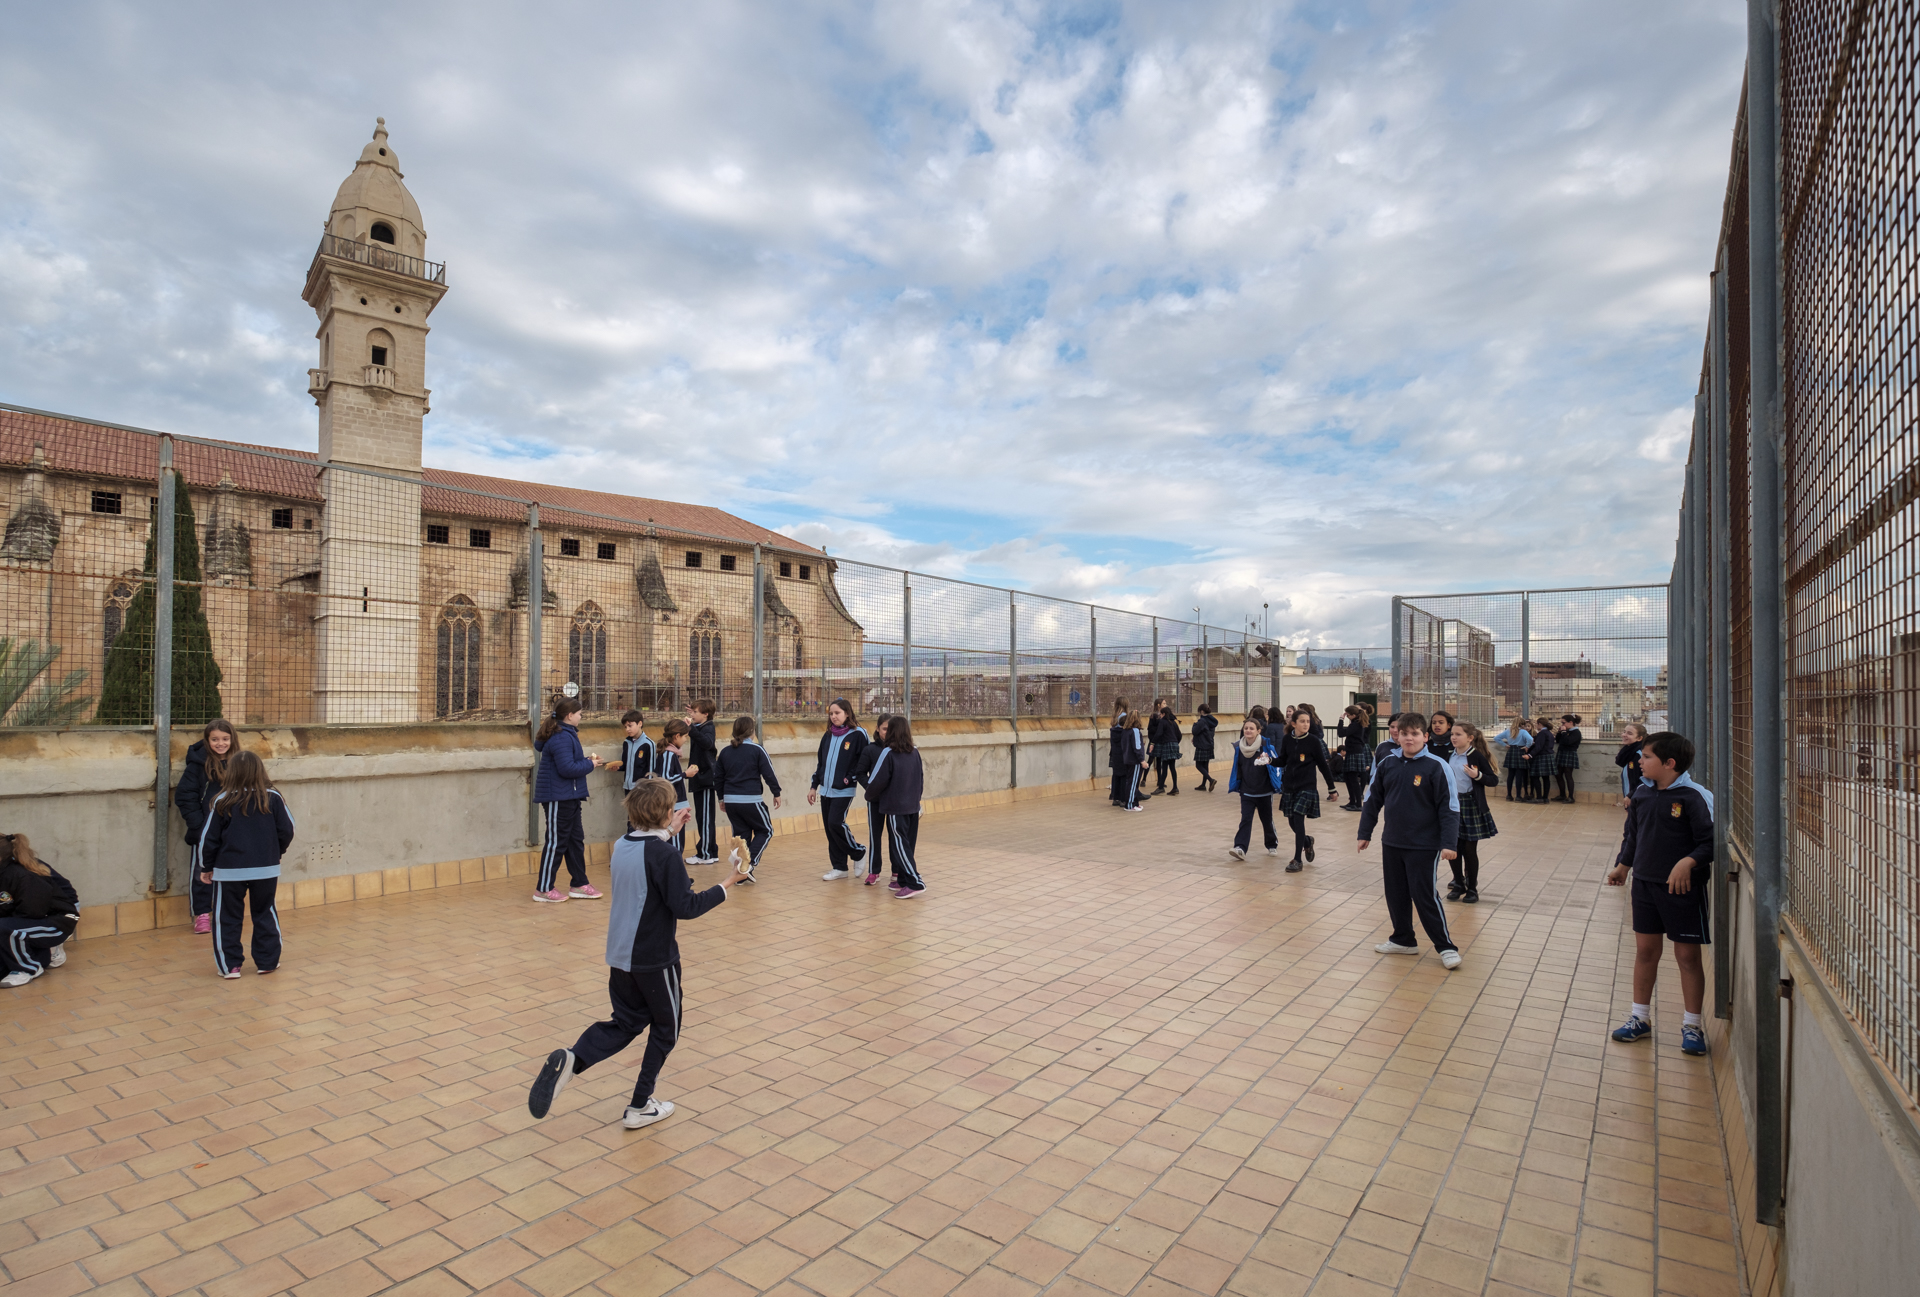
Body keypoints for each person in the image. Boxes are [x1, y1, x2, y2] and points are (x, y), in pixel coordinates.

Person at [527, 780, 743, 1131]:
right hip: (655, 959)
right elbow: (685, 907)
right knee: (666, 1028)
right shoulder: (666, 856)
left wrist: (669, 831)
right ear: (665, 813)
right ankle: (640, 1105)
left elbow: (649, 859)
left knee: (626, 1022)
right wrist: (728, 882)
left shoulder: (623, 845)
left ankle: (573, 1058)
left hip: (620, 955)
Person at [1607, 731, 1715, 1057]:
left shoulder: (1695, 797)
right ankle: (1640, 1019)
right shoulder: (1641, 793)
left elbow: (1710, 842)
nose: (1639, 762)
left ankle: (1692, 1026)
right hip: (1645, 886)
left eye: (1647, 757)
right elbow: (1633, 836)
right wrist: (1623, 867)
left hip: (1682, 890)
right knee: (1645, 952)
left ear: (1669, 763)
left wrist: (1688, 861)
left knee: (1686, 957)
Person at [1357, 714, 1462, 968]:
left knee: (1424, 895)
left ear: (1425, 737)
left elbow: (1450, 808)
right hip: (1392, 841)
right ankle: (1403, 939)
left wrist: (1449, 843)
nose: (1409, 738)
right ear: (1397, 736)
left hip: (1424, 845)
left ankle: (1446, 947)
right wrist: (1365, 833)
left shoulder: (1437, 766)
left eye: (1415, 734)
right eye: (1404, 734)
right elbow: (1372, 799)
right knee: (1396, 893)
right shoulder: (1387, 763)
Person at [197, 750, 295, 978]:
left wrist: (206, 867)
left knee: (227, 917)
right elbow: (288, 830)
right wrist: (277, 852)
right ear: (260, 770)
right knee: (265, 912)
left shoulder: (222, 800)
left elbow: (208, 838)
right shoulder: (273, 797)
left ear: (231, 773)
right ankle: (267, 962)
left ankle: (230, 966)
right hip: (266, 869)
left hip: (228, 872)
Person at [534, 694, 604, 903]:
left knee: (575, 841)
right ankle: (544, 889)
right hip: (558, 798)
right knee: (556, 843)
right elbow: (567, 769)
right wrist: (590, 765)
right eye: (580, 714)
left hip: (570, 796)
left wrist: (587, 761)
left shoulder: (566, 734)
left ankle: (579, 884)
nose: (581, 717)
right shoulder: (561, 736)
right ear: (570, 715)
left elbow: (569, 763)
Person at [174, 718, 236, 935]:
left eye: (225, 739)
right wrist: (200, 827)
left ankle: (226, 912)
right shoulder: (197, 765)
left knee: (231, 873)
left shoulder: (240, 763)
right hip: (205, 831)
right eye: (215, 739)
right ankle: (202, 915)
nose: (221, 743)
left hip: (234, 830)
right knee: (202, 872)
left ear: (232, 739)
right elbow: (185, 796)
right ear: (207, 740)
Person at [0, 834, 79, 987]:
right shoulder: (5, 872)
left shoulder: (23, 875)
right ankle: (43, 955)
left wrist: (6, 921)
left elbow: (32, 912)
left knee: (4, 928)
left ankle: (28, 969)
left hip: (57, 922)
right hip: (26, 918)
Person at [865, 716, 927, 897]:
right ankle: (904, 880)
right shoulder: (915, 752)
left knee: (900, 846)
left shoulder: (887, 753)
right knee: (907, 844)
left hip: (895, 808)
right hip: (912, 807)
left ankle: (915, 882)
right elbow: (920, 779)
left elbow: (876, 780)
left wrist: (869, 796)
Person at [715, 716, 782, 882]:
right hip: (750, 800)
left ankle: (741, 875)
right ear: (752, 732)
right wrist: (776, 792)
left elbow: (718, 777)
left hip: (731, 801)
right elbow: (769, 773)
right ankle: (748, 866)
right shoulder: (757, 750)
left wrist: (721, 798)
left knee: (741, 836)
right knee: (766, 830)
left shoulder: (725, 751)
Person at [810, 699, 871, 881]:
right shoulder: (828, 735)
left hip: (843, 789)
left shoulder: (858, 734)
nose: (834, 717)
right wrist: (814, 786)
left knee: (836, 823)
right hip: (825, 790)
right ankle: (839, 867)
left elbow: (863, 762)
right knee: (830, 829)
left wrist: (849, 778)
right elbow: (821, 763)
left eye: (837, 713)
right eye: (831, 714)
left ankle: (858, 851)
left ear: (847, 713)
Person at [1446, 722, 1501, 903]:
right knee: (1453, 846)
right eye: (1452, 734)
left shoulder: (1476, 756)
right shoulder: (1450, 756)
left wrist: (1477, 776)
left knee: (1469, 849)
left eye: (1458, 734)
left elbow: (1493, 780)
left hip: (1470, 805)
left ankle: (1472, 888)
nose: (1454, 737)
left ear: (1470, 738)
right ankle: (1459, 884)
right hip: (1452, 804)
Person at [1276, 709, 1337, 872]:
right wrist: (1269, 761)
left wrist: (1332, 788)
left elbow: (1323, 766)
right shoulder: (1287, 739)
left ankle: (1297, 860)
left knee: (1298, 818)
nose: (1306, 724)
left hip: (1307, 787)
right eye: (1302, 721)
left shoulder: (1313, 741)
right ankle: (1307, 842)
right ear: (1294, 723)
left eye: (1308, 721)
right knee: (1291, 821)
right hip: (1289, 786)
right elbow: (1282, 760)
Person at [1225, 717, 1281, 860]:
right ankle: (1240, 847)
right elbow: (1237, 767)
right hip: (1246, 791)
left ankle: (1272, 845)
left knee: (1267, 820)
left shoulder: (1267, 747)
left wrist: (1277, 782)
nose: (1248, 731)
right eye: (1246, 728)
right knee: (1246, 819)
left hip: (1264, 791)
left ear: (1258, 731)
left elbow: (1278, 766)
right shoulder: (1239, 747)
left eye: (1251, 728)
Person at [854, 715, 893, 886]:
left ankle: (897, 870)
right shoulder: (870, 750)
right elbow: (860, 773)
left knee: (895, 836)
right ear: (878, 729)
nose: (888, 732)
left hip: (894, 802)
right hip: (875, 801)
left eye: (891, 729)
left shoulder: (898, 749)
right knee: (875, 836)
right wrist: (870, 787)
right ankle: (874, 871)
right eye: (884, 729)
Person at [685, 699, 721, 864]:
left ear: (706, 714)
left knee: (705, 817)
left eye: (695, 712)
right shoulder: (700, 727)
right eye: (691, 712)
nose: (692, 715)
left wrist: (691, 728)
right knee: (702, 816)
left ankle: (705, 854)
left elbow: (707, 743)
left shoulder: (708, 727)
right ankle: (711, 851)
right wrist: (692, 720)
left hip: (705, 778)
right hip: (699, 778)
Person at [657, 719, 692, 855]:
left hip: (677, 804)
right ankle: (675, 873)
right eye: (684, 737)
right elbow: (666, 779)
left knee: (678, 842)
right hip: (673, 805)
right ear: (677, 736)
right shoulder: (668, 754)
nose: (685, 740)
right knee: (675, 845)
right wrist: (685, 774)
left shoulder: (671, 754)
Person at [1108, 701, 1147, 810]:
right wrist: (1142, 760)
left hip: (1126, 759)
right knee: (1133, 783)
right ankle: (1130, 804)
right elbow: (1137, 747)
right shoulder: (1135, 731)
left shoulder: (1125, 731)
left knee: (1130, 781)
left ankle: (1134, 802)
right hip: (1134, 760)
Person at [617, 710, 657, 812]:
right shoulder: (626, 742)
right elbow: (625, 764)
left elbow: (651, 770)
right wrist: (618, 767)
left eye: (630, 726)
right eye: (625, 727)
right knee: (631, 817)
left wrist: (649, 790)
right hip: (628, 787)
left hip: (642, 789)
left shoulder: (649, 744)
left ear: (640, 724)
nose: (627, 729)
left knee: (641, 816)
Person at [1336, 704, 1372, 811]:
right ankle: (1352, 802)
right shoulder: (1356, 723)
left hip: (1354, 753)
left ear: (1353, 715)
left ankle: (1357, 804)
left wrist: (1341, 720)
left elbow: (1341, 733)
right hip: (1353, 752)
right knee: (1348, 777)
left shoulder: (1356, 724)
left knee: (1353, 779)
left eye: (1348, 715)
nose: (1347, 717)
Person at [1493, 718, 1532, 801]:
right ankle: (1518, 796)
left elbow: (1496, 738)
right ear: (1522, 725)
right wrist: (1527, 746)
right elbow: (1530, 739)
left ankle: (1509, 795)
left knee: (1510, 775)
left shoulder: (1508, 731)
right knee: (1519, 775)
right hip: (1520, 751)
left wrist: (1505, 745)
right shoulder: (1523, 731)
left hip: (1511, 751)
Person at [1149, 700, 1183, 796]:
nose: (1160, 715)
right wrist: (1175, 742)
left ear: (1163, 714)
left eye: (1161, 714)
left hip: (1167, 745)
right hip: (1175, 744)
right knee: (1172, 767)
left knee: (1164, 766)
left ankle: (1160, 788)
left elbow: (1158, 733)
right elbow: (1179, 735)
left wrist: (1153, 743)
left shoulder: (1163, 722)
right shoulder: (1174, 722)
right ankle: (1175, 787)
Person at [1614, 722, 1648, 809]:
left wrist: (1631, 795)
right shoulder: (1628, 751)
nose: (1624, 735)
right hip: (1629, 796)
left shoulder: (1640, 754)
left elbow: (1646, 779)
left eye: (1629, 733)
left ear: (1639, 738)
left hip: (1638, 798)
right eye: (1624, 732)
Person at [1554, 714, 1584, 803]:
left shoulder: (1576, 732)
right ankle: (1562, 795)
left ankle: (1570, 797)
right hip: (1561, 753)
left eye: (1563, 723)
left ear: (1570, 722)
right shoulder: (1566, 731)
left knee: (1568, 775)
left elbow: (1568, 741)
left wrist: (1563, 733)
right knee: (1558, 774)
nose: (1562, 725)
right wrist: (1559, 732)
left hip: (1569, 753)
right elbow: (1558, 740)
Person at [1191, 704, 1219, 792]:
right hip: (1209, 744)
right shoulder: (1212, 720)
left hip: (1202, 745)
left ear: (1202, 712)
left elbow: (1194, 731)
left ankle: (1211, 780)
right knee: (1205, 765)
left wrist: (1194, 724)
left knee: (1198, 765)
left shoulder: (1202, 721)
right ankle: (1203, 785)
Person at [1531, 715, 1558, 803]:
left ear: (1540, 724)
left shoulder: (1542, 733)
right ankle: (1545, 798)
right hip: (1548, 755)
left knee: (1535, 777)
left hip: (1542, 756)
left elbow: (1539, 747)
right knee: (1546, 778)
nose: (1536, 726)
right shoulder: (1549, 733)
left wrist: (1530, 755)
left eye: (1536, 724)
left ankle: (1539, 797)